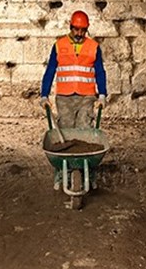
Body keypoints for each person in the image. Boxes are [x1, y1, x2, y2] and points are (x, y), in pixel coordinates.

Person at [40, 10, 107, 189]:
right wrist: (44, 95)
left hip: (86, 96)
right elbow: (50, 71)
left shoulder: (93, 47)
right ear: (70, 27)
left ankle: (88, 171)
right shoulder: (59, 45)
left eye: (82, 30)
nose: (79, 34)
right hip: (65, 97)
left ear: (86, 30)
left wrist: (102, 95)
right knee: (66, 131)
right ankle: (63, 172)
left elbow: (100, 71)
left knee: (85, 129)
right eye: (76, 29)